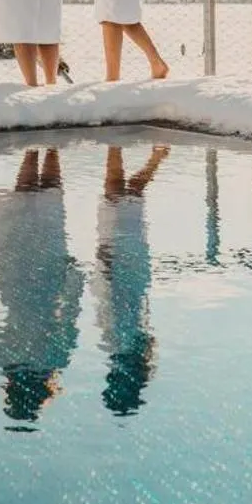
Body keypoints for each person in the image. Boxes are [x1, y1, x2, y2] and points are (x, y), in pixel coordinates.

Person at [0, 148, 84, 425]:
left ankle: (52, 143)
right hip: (15, 281)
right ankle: (33, 145)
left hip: (48, 281)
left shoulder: (55, 360)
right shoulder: (7, 360)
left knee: (50, 200)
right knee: (22, 202)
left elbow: (69, 316)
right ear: (11, 392)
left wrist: (75, 277)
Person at [95, 143, 168, 415]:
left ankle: (155, 157)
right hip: (119, 270)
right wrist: (104, 265)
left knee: (131, 196)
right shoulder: (117, 345)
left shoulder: (141, 353)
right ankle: (115, 143)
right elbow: (110, 301)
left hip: (136, 270)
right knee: (116, 194)